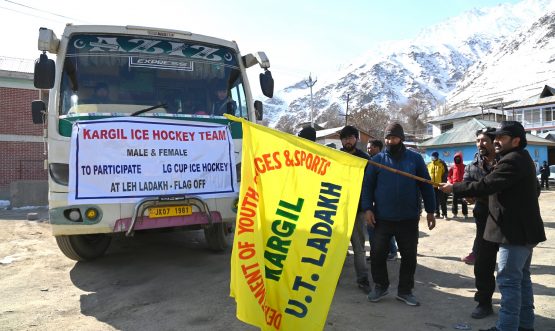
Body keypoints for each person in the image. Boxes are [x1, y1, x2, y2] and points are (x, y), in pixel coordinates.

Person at [440, 121, 546, 331]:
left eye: (502, 137)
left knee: (508, 282)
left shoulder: (513, 160)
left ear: (516, 141)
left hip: (514, 233)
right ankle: (525, 325)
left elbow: (487, 184)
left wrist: (455, 188)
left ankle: (506, 327)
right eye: (495, 137)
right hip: (518, 231)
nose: (496, 141)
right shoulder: (516, 158)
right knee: (521, 280)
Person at [362, 122, 436, 306]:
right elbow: (367, 187)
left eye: (393, 137)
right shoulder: (377, 160)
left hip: (408, 218)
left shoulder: (414, 159)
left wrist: (431, 211)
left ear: (401, 138)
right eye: (387, 137)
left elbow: (426, 185)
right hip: (382, 218)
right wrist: (367, 209)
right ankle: (380, 286)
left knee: (409, 256)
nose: (389, 141)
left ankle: (405, 291)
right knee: (378, 254)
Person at [460, 127, 499, 319]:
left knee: (511, 269)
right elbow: (467, 184)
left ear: (494, 142)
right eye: (477, 141)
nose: (480, 144)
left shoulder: (506, 162)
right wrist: (468, 196)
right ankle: (484, 303)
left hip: (508, 220)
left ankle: (518, 306)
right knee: (483, 265)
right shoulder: (472, 165)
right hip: (484, 220)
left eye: (484, 140)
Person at [339, 125, 371, 292]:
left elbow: (369, 185)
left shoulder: (364, 159)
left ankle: (363, 278)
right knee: (335, 247)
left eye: (350, 137)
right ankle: (331, 278)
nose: (347, 141)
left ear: (356, 139)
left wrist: (368, 208)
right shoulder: (335, 157)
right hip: (337, 209)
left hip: (357, 210)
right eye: (344, 138)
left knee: (358, 247)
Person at [365, 138, 399, 262]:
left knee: (385, 228)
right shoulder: (369, 160)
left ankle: (393, 252)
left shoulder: (384, 161)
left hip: (383, 202)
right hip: (372, 201)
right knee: (373, 229)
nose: (368, 149)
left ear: (378, 148)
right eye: (367, 147)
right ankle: (377, 253)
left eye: (371, 147)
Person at [427, 151, 448, 219]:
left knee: (442, 200)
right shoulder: (429, 165)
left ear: (437, 156)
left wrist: (443, 183)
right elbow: (427, 174)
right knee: (435, 200)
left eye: (434, 156)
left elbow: (445, 173)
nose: (432, 157)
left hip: (440, 185)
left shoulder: (442, 163)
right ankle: (437, 213)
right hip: (432, 186)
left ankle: (444, 214)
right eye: (432, 156)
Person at [448, 152, 468, 219]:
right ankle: (455, 213)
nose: (457, 159)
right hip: (455, 186)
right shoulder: (453, 167)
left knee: (464, 201)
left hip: (463, 186)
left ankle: (465, 214)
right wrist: (451, 182)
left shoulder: (465, 167)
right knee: (454, 200)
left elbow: (468, 176)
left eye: (458, 158)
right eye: (456, 158)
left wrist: (465, 182)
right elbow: (448, 175)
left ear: (461, 159)